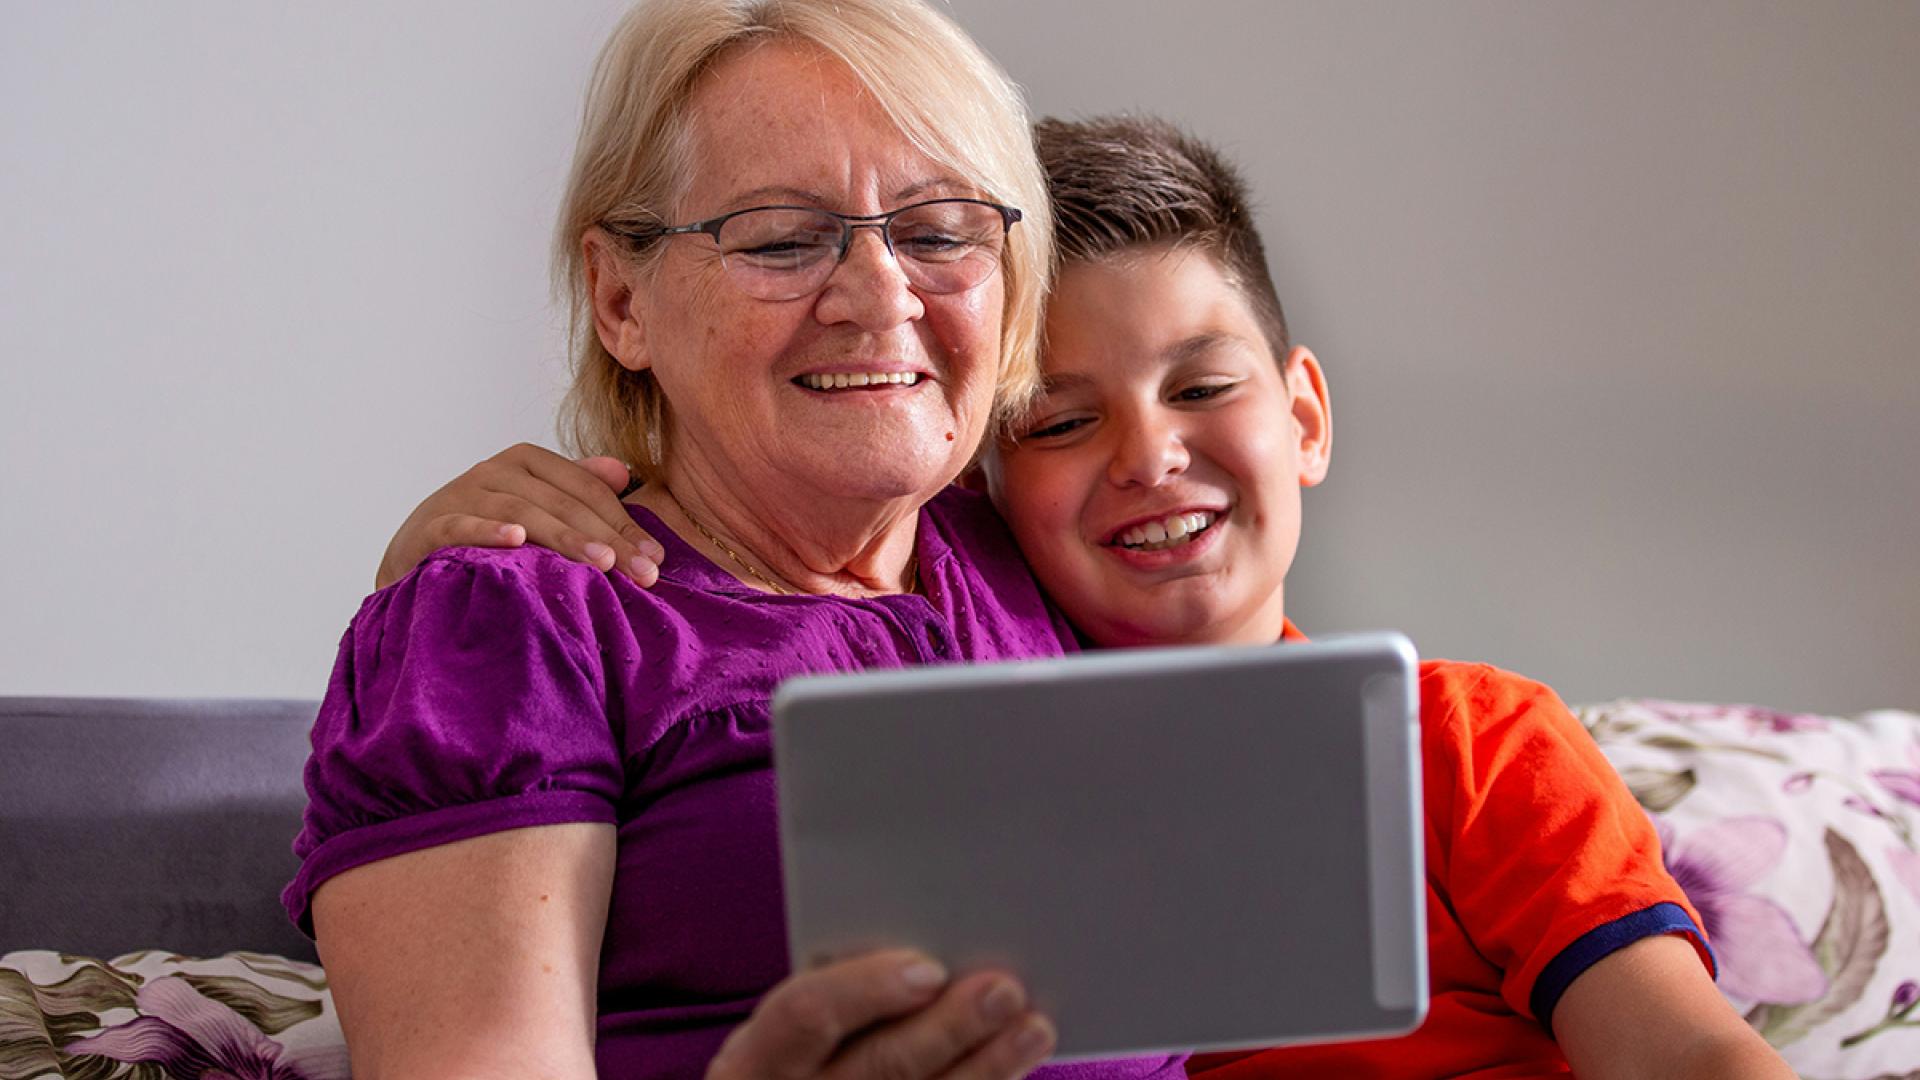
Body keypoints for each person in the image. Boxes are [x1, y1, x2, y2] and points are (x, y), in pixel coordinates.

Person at [385, 113, 1799, 1077]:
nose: (1151, 457)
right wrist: (434, 559)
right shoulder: (958, 768)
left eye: (1204, 386)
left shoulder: (1471, 741)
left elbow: (1687, 1050)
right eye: (1058, 421)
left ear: (1304, 415)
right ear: (977, 493)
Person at [283, 1, 1188, 1078]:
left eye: (940, 232)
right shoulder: (518, 623)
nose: (880, 295)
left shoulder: (1028, 544)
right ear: (620, 299)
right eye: (780, 239)